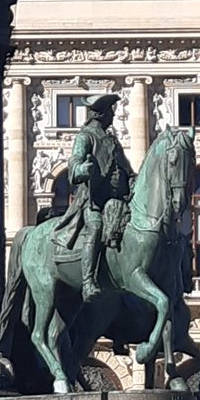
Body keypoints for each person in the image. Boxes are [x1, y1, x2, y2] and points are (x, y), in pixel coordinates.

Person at [53, 93, 134, 302]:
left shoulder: (112, 141)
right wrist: (83, 169)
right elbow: (73, 169)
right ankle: (88, 281)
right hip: (93, 201)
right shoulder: (85, 137)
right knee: (96, 227)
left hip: (117, 202)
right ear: (101, 114)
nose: (113, 115)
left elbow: (126, 169)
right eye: (111, 111)